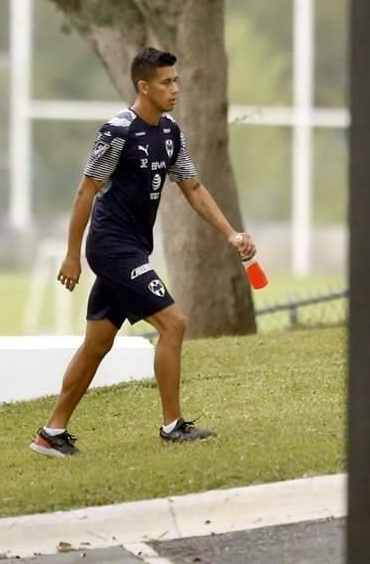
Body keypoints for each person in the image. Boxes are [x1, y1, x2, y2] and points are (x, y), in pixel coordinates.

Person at [30, 48, 258, 458]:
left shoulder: (170, 132)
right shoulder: (117, 132)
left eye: (176, 80)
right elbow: (86, 191)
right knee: (174, 323)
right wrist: (72, 254)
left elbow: (193, 187)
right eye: (167, 82)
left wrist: (231, 234)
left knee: (97, 343)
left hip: (134, 248)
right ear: (143, 86)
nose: (175, 89)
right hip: (111, 247)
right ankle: (173, 427)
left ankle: (51, 432)